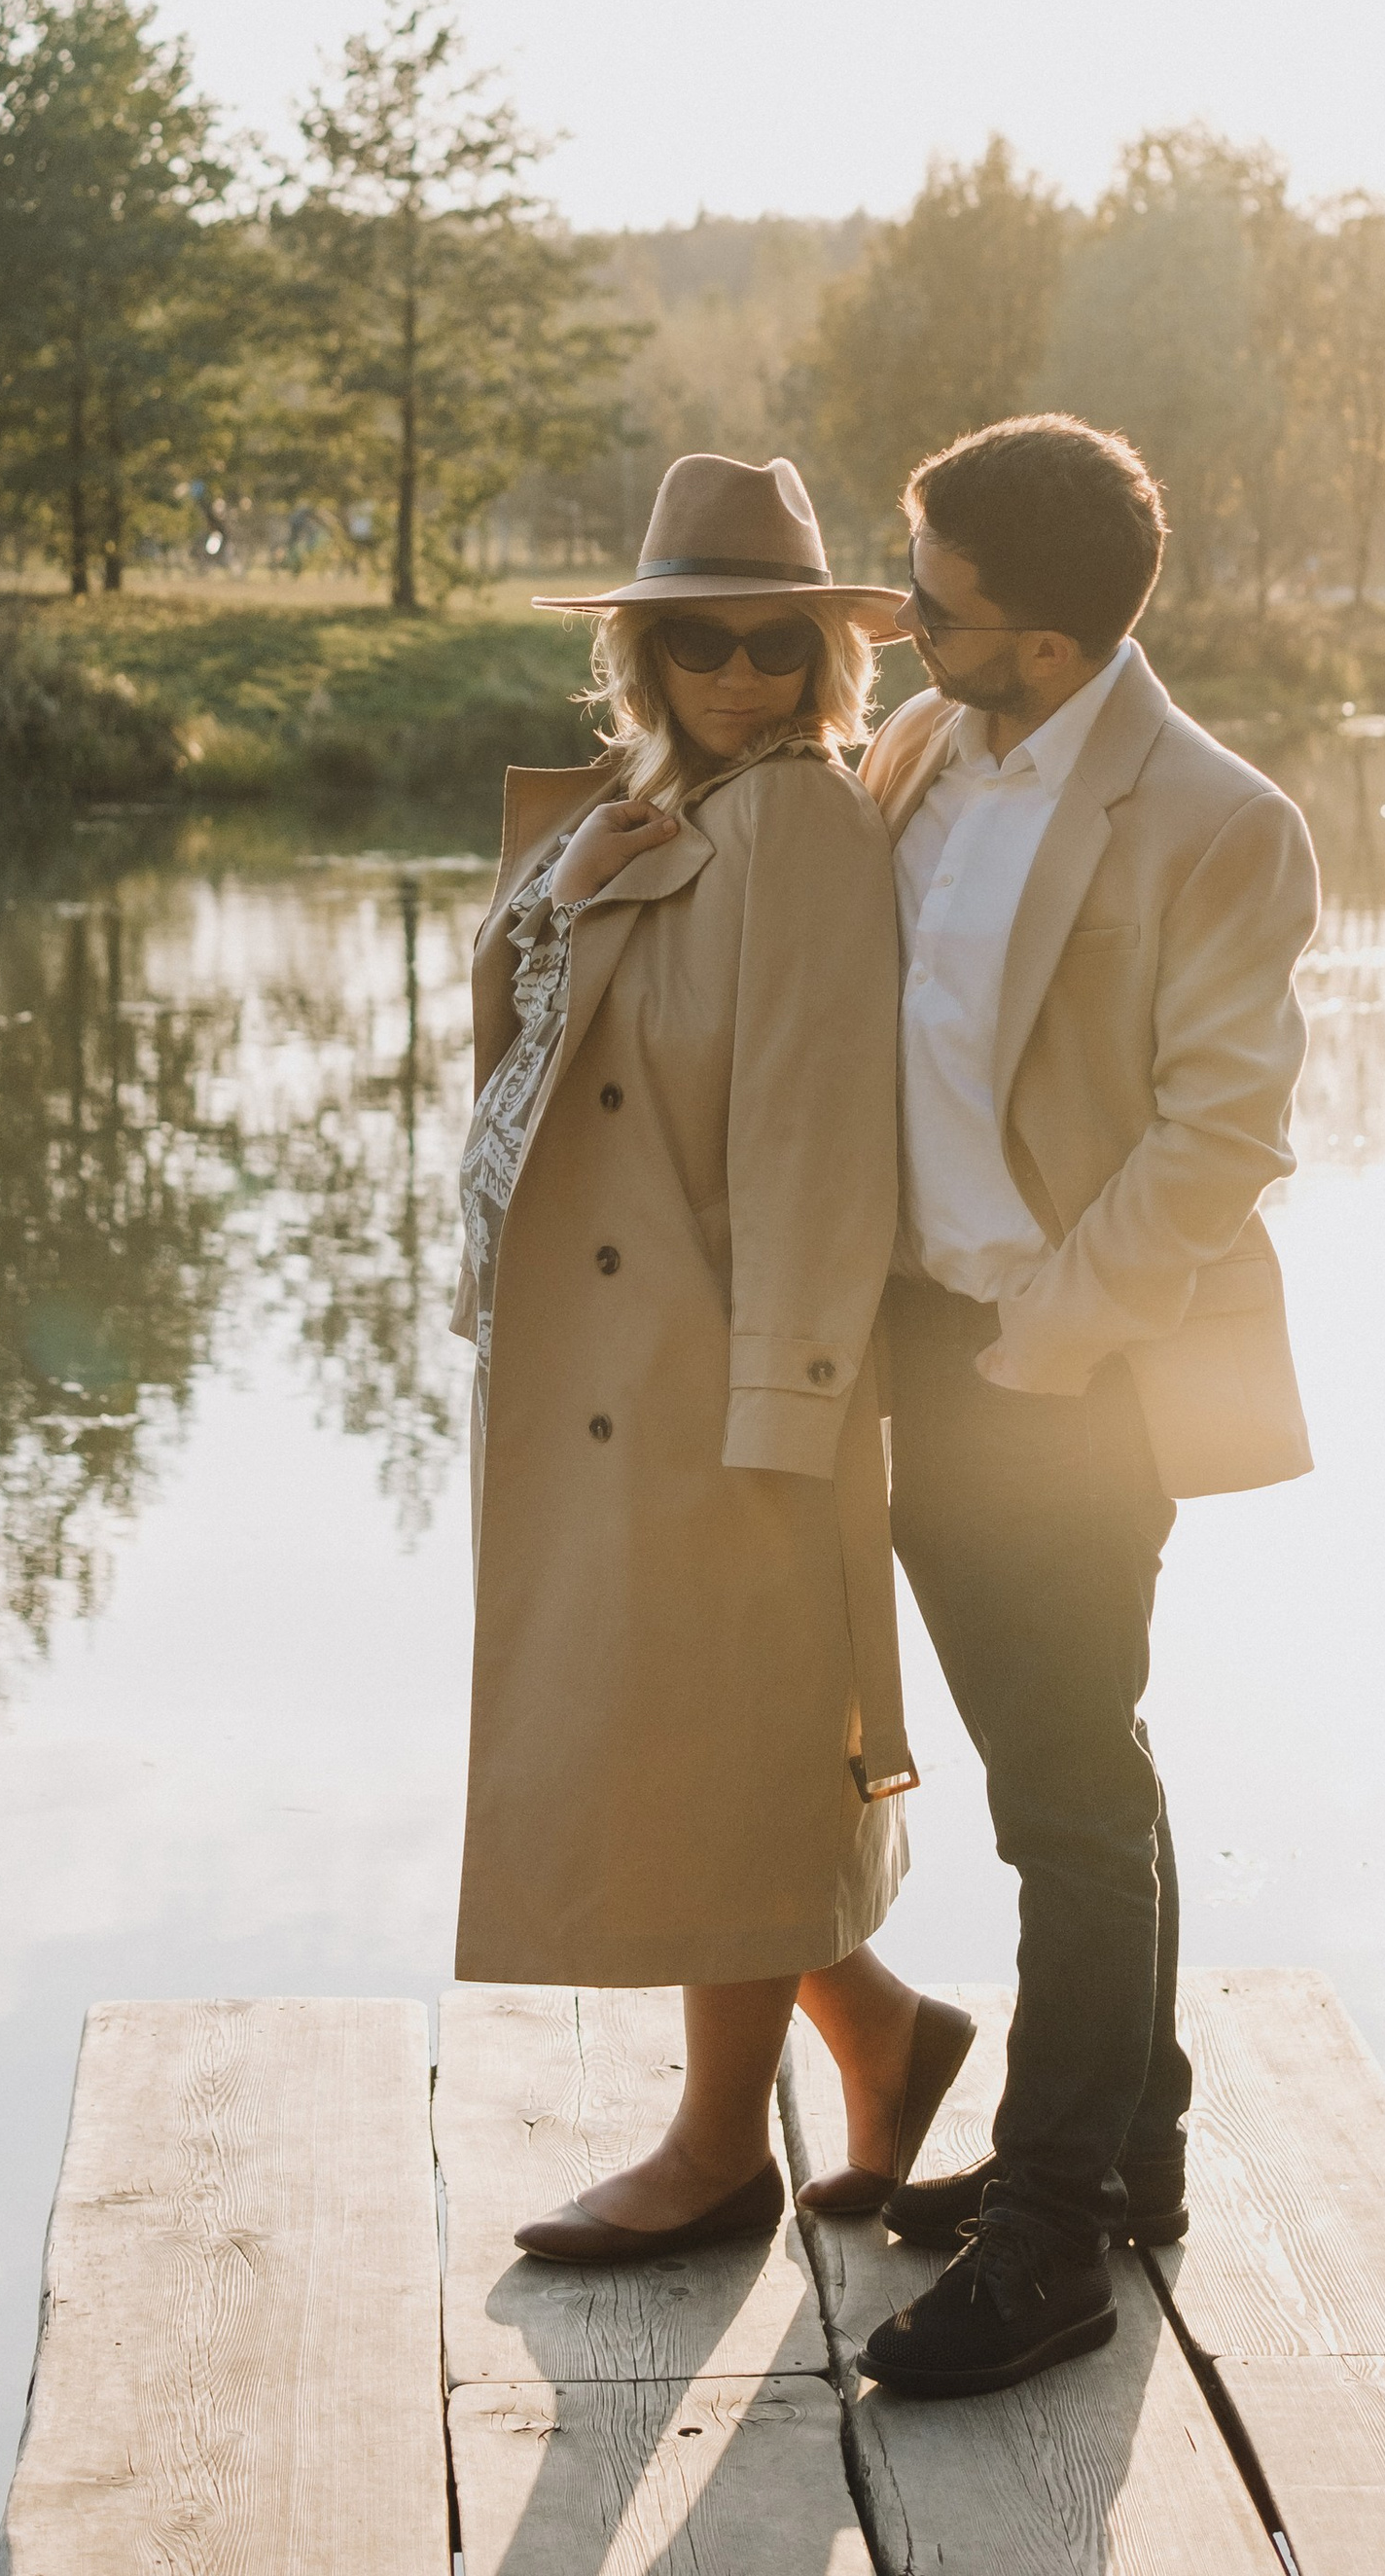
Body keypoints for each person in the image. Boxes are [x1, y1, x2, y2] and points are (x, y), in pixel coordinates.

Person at [456, 452, 977, 2259]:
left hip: (729, 1361)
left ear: (831, 655)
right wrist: (558, 885)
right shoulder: (645, 804)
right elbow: (522, 1044)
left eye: (779, 643)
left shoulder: (804, 820)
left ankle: (714, 2146)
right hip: (609, 1347)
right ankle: (887, 2040)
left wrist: (787, 1401)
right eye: (706, 645)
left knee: (717, 1743)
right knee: (693, 1737)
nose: (746, 676)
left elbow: (822, 1135)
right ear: (651, 655)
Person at [851, 414, 1320, 2402]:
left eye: (929, 600)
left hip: (1068, 1365)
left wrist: (1045, 1336)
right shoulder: (918, 749)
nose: (897, 619)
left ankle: (1047, 2240)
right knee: (1078, 1765)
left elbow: (1225, 1127)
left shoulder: (1214, 819)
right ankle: (1130, 2149)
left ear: (1037, 642)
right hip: (915, 1344)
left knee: (1054, 1793)